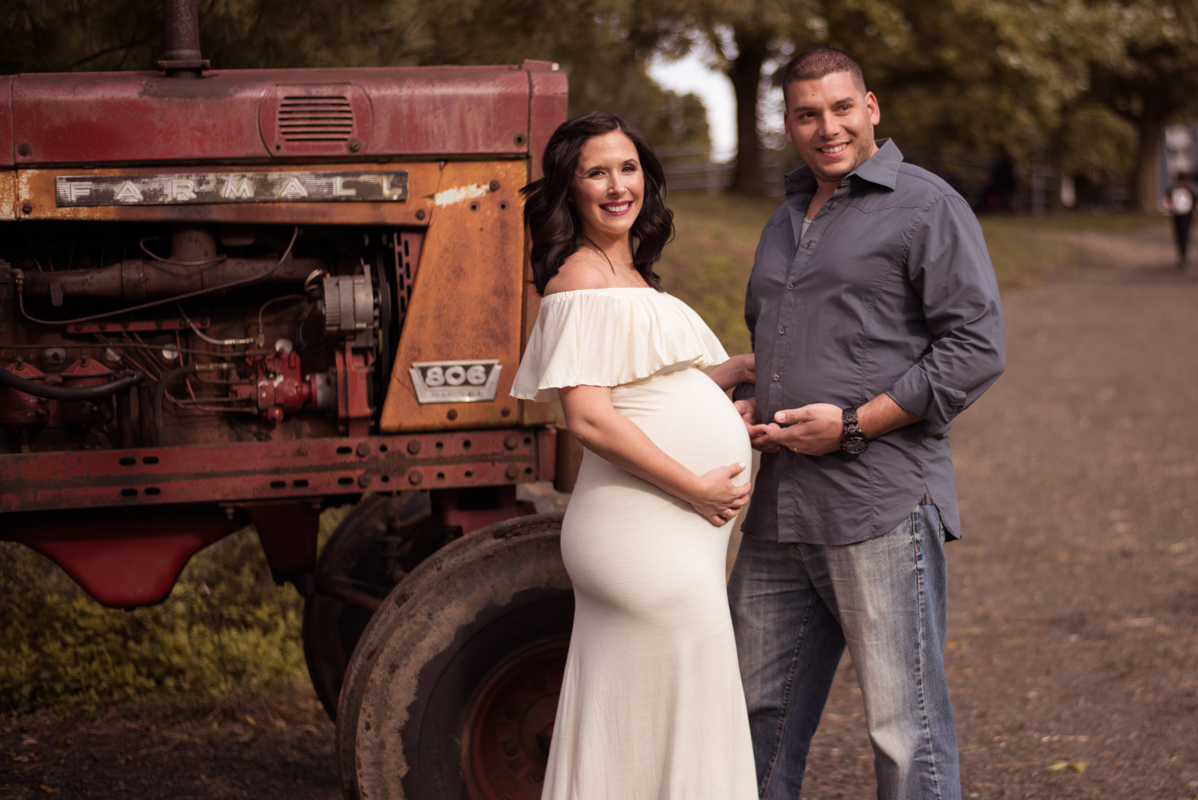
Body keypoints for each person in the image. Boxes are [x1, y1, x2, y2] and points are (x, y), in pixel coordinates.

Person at [728, 46, 1006, 800]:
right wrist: (753, 394)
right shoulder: (785, 220)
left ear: (872, 107)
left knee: (902, 730)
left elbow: (977, 348)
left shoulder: (926, 205)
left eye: (842, 108)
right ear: (787, 123)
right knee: (752, 720)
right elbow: (786, 342)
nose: (828, 128)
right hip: (782, 512)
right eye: (808, 114)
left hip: (877, 504)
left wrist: (854, 424)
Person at [510, 111, 759, 800]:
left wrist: (722, 385)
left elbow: (641, 390)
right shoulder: (578, 281)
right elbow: (589, 418)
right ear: (570, 189)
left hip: (670, 532)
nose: (618, 185)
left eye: (628, 168)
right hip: (645, 535)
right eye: (596, 171)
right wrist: (694, 487)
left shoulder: (630, 275)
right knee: (685, 713)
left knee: (648, 726)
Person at [1163, 172, 1194, 268]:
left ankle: (1183, 257)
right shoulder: (1173, 190)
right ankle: (1180, 256)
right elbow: (1166, 200)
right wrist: (1167, 205)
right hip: (1176, 215)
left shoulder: (1189, 191)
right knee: (1178, 236)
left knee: (1184, 235)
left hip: (1187, 216)